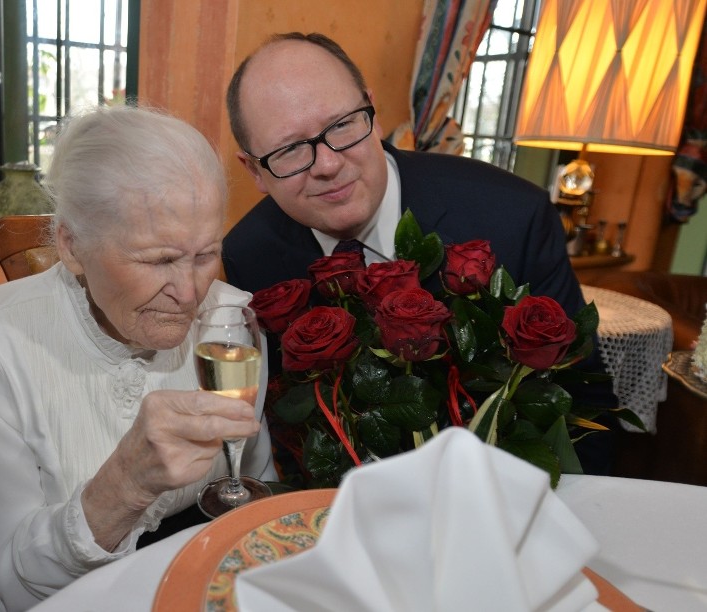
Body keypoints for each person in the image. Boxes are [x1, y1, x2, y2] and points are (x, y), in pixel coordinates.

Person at [222, 32, 617, 474]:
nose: (328, 165)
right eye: (290, 149)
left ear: (373, 107)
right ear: (254, 170)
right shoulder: (249, 254)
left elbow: (585, 409)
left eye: (342, 125)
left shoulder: (510, 217)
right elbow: (286, 428)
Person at [0, 105, 276, 611]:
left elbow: (258, 491)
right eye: (159, 260)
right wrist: (123, 486)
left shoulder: (231, 324)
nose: (190, 293)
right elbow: (2, 591)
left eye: (206, 253)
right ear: (72, 246)